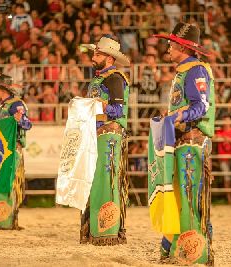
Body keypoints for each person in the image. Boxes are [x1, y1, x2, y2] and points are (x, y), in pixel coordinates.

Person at [149, 22, 215, 265]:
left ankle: (194, 252)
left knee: (190, 198)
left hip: (192, 144)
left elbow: (201, 106)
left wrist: (177, 116)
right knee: (180, 196)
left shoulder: (196, 71)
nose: (167, 47)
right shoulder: (185, 71)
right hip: (183, 143)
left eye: (170, 43)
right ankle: (172, 247)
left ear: (181, 46)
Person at [79, 35, 131, 245]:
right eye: (94, 52)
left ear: (109, 58)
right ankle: (95, 228)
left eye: (98, 53)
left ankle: (107, 229)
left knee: (106, 181)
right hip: (96, 135)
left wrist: (100, 106)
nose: (94, 56)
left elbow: (118, 110)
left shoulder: (115, 78)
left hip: (108, 135)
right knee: (95, 182)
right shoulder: (100, 79)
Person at [0, 74, 32, 230]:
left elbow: (27, 124)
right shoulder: (5, 105)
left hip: (12, 149)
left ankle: (8, 219)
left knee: (11, 183)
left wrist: (19, 119)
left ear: (2, 89)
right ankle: (6, 219)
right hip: (4, 150)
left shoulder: (16, 104)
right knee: (6, 182)